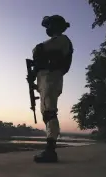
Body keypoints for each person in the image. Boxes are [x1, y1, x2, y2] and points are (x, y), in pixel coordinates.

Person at [32, 15, 74, 163]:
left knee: (49, 113)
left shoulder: (62, 40)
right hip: (47, 79)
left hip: (51, 78)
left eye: (49, 25)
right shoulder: (59, 41)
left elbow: (38, 50)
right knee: (47, 113)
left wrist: (38, 63)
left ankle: (50, 151)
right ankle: (50, 148)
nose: (47, 29)